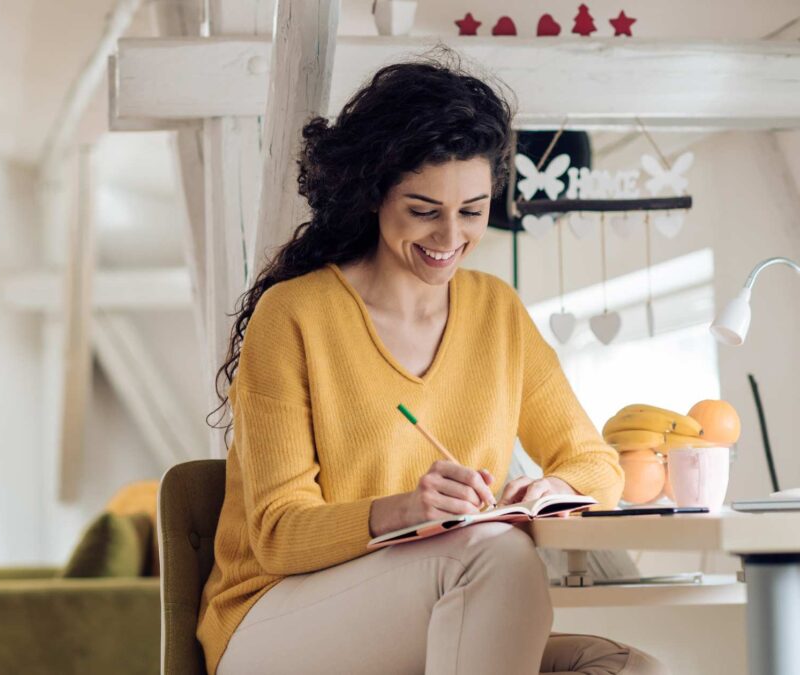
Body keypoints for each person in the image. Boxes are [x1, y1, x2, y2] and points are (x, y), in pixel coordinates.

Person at [196, 54, 669, 675]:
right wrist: (406, 511)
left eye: (471, 212)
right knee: (496, 556)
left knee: (631, 669)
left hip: (436, 600)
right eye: (424, 210)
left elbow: (595, 463)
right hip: (273, 621)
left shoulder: (496, 312)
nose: (449, 237)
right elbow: (280, 534)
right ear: (373, 194)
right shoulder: (295, 316)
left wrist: (554, 490)